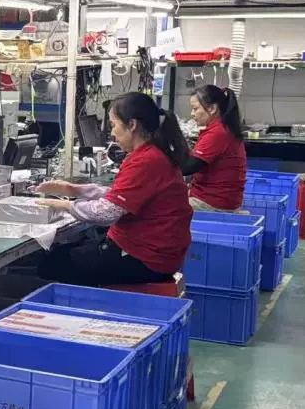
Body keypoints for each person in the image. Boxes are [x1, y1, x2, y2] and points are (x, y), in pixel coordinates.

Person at [36, 92, 192, 286]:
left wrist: (63, 205)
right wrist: (73, 189)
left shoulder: (146, 160)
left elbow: (107, 212)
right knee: (69, 251)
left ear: (132, 125)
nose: (112, 133)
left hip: (145, 257)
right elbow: (121, 196)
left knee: (49, 263)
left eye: (113, 125)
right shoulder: (151, 154)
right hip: (153, 251)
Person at [183, 84, 246, 211]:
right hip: (214, 197)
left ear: (212, 108)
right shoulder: (221, 129)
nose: (192, 114)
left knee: (158, 207)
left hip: (212, 202)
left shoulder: (218, 133)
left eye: (195, 109)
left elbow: (188, 167)